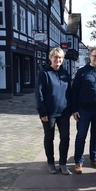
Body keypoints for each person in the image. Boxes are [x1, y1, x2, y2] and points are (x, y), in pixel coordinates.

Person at [35, 47, 72, 175]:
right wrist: (42, 112)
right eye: (55, 57)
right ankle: (51, 163)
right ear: (50, 58)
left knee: (65, 137)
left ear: (63, 59)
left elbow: (69, 92)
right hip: (49, 113)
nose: (58, 60)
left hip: (64, 112)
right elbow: (39, 94)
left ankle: (63, 163)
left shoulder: (65, 73)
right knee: (49, 137)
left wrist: (72, 109)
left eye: (60, 58)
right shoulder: (44, 73)